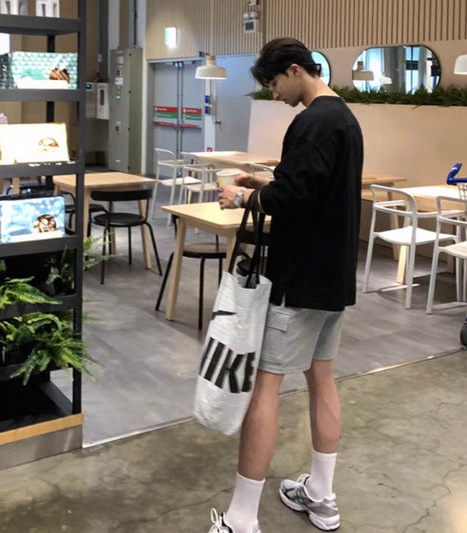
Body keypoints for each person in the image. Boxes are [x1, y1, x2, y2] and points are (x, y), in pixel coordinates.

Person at [208, 38, 363, 533]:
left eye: (275, 83)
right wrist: (265, 184)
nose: (275, 95)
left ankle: (241, 518)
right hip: (334, 277)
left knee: (266, 387)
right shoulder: (344, 119)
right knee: (322, 377)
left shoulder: (312, 122)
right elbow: (312, 188)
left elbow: (292, 199)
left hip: (298, 276)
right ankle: (321, 495)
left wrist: (240, 198)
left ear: (296, 70)